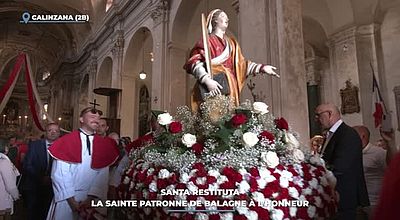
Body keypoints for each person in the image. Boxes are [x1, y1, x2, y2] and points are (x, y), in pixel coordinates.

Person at [184, 9, 279, 109]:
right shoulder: (207, 41)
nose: (227, 19)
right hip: (212, 84)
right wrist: (207, 80)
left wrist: (262, 68)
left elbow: (241, 65)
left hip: (230, 86)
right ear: (215, 20)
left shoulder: (232, 44)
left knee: (229, 117)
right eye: (223, 16)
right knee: (212, 116)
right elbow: (195, 62)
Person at [46, 107, 119, 220]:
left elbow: (103, 175)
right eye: (92, 116)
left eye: (98, 118)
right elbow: (60, 173)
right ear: (81, 119)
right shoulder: (67, 141)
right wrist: (72, 201)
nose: (96, 120)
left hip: (93, 198)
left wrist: (90, 198)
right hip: (67, 198)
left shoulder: (104, 145)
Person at [314, 103, 369, 219]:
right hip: (334, 197)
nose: (316, 119)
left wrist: (316, 174)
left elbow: (341, 167)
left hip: (344, 197)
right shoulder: (332, 134)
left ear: (329, 114)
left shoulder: (347, 134)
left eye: (318, 115)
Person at [23, 123, 61, 220]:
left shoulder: (63, 147)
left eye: (56, 131)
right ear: (45, 132)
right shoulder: (35, 145)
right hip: (35, 186)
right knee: (34, 213)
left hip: (55, 187)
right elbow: (27, 165)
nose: (53, 133)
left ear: (59, 133)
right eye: (50, 130)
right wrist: (40, 177)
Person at [353, 125, 387, 218]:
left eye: (352, 136)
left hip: (375, 202)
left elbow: (389, 173)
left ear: (362, 136)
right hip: (358, 202)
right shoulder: (353, 154)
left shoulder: (378, 153)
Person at [0, 139, 20, 220]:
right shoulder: (4, 162)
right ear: (5, 148)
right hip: (3, 198)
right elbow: (10, 185)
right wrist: (16, 195)